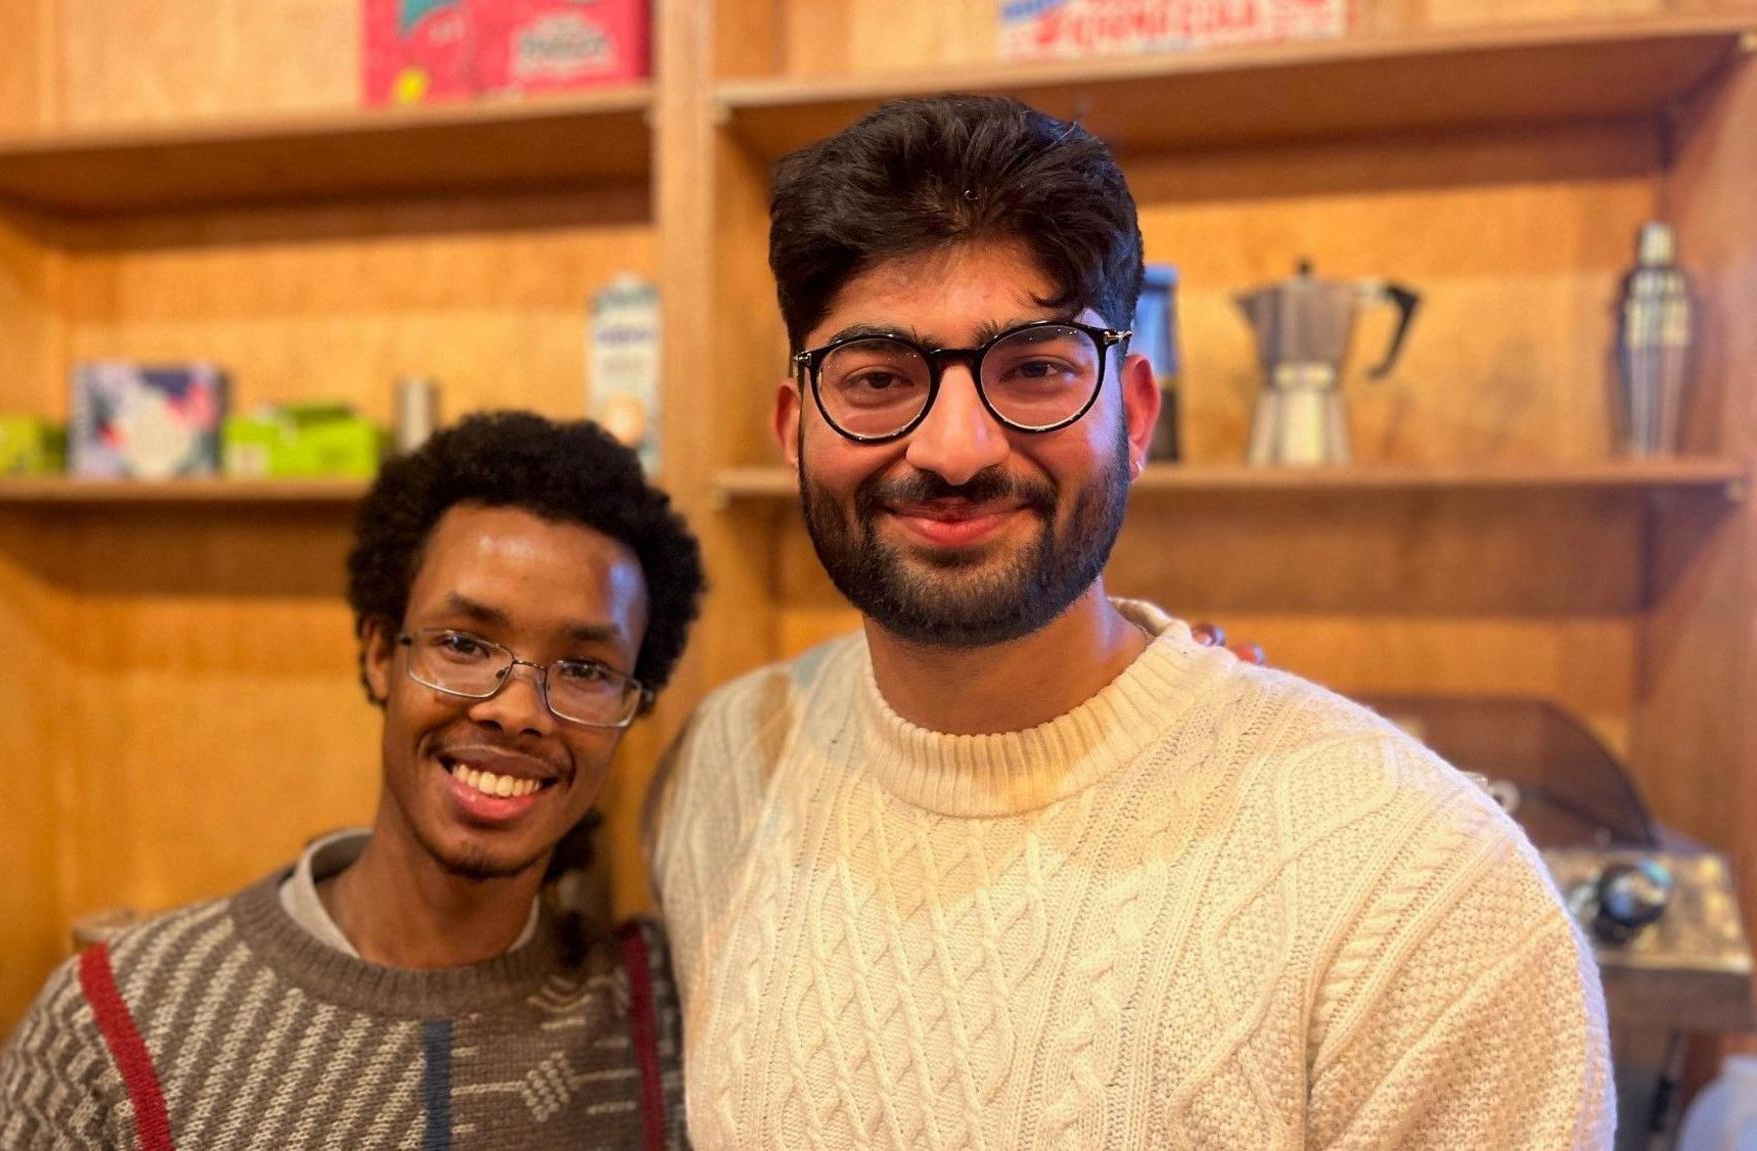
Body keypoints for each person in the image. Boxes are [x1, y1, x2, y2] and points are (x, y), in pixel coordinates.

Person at [648, 95, 1612, 1149]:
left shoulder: (1423, 891)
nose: (957, 447)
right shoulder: (721, 772)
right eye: (878, 378)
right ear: (796, 430)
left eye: (1035, 370)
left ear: (1134, 414)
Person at [0, 412, 702, 1150]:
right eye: (462, 643)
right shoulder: (116, 1023)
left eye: (585, 669)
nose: (515, 710)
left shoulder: (662, 1021)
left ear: (630, 705)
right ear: (381, 653)